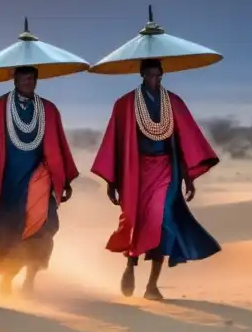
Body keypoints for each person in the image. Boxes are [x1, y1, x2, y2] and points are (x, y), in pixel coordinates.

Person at [92, 58, 220, 300]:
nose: (153, 79)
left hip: (167, 170)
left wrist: (188, 178)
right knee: (137, 220)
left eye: (157, 75)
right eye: (149, 75)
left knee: (165, 221)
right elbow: (115, 145)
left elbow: (185, 142)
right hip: (136, 172)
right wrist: (112, 181)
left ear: (162, 75)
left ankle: (152, 284)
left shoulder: (173, 102)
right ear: (141, 75)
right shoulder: (126, 103)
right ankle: (130, 265)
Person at [0, 66, 78, 297]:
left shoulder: (49, 110)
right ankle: (7, 277)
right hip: (9, 185)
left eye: (32, 76)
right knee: (9, 235)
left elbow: (58, 147)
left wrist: (65, 180)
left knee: (43, 228)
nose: (28, 80)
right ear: (13, 77)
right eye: (23, 75)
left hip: (39, 182)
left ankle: (30, 280)